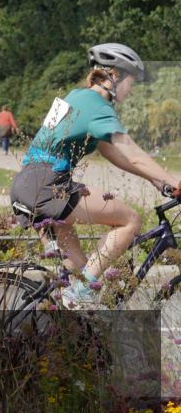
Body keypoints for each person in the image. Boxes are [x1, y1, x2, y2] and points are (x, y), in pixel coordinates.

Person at [10, 43, 181, 308]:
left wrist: (157, 181)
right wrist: (173, 180)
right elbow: (133, 153)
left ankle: (55, 332)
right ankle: (80, 293)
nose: (131, 89)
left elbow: (114, 154)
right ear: (114, 75)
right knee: (130, 220)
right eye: (131, 82)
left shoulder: (75, 97)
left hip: (27, 183)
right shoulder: (98, 107)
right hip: (48, 186)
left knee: (79, 272)